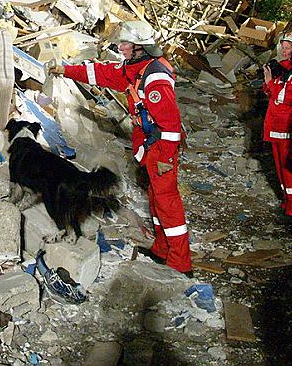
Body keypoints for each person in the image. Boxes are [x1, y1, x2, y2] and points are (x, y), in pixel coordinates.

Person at [48, 20, 192, 275]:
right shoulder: (136, 68)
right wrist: (65, 70)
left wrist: (165, 157)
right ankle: (162, 248)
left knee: (168, 203)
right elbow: (103, 74)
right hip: (150, 145)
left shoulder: (155, 78)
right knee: (156, 201)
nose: (121, 47)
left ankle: (181, 262)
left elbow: (170, 124)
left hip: (161, 148)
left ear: (141, 47)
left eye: (126, 44)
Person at [262, 30, 292, 218]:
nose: (284, 50)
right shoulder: (282, 68)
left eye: (288, 48)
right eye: (283, 47)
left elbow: (289, 96)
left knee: (289, 169)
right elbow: (269, 91)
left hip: (287, 127)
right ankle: (287, 201)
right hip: (275, 126)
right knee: (280, 169)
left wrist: (272, 84)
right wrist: (269, 82)